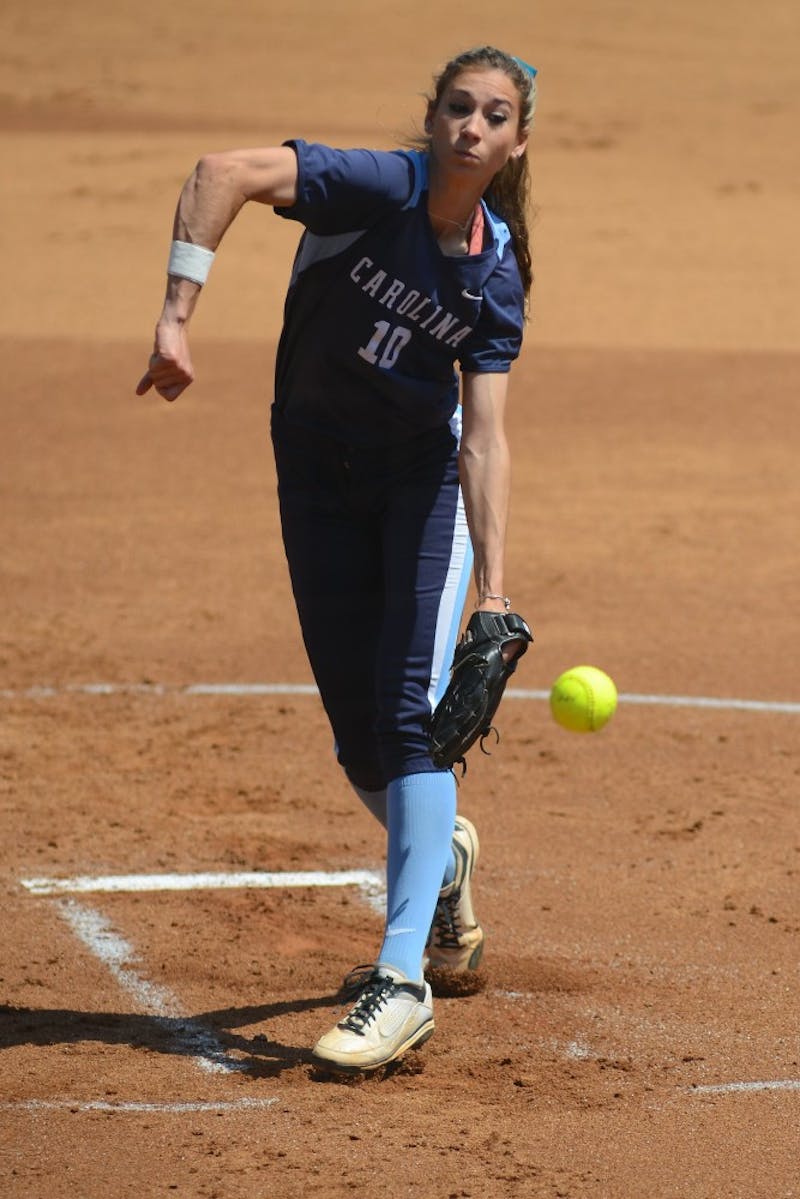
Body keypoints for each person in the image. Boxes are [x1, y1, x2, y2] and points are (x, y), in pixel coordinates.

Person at [136, 45, 537, 1074]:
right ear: (433, 117)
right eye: (457, 107)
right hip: (311, 470)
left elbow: (482, 436)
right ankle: (440, 856)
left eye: (493, 116)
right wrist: (176, 318)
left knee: (407, 716)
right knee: (362, 746)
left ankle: (400, 979)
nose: (471, 128)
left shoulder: (496, 272)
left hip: (417, 488)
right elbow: (221, 174)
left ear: (514, 142)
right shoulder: (374, 188)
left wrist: (493, 589)